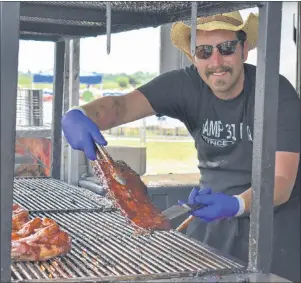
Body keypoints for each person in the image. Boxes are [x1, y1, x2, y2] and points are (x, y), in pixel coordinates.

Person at [61, 11, 300, 282]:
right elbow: (121, 107)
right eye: (204, 51)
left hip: (273, 229)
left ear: (244, 50)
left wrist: (235, 204)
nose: (216, 61)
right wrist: (79, 114)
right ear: (192, 57)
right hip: (212, 221)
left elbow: (281, 181)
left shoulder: (275, 92)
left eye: (227, 48)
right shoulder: (185, 85)